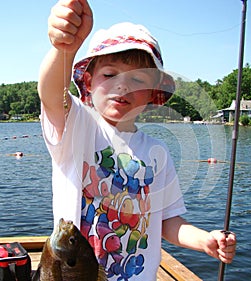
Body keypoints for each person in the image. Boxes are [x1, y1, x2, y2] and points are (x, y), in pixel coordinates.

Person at [39, 0, 236, 280]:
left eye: (138, 80)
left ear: (152, 93)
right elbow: (50, 93)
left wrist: (204, 241)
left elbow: (168, 221)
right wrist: (64, 49)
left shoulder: (159, 152)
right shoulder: (77, 125)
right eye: (110, 74)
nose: (123, 85)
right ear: (90, 82)